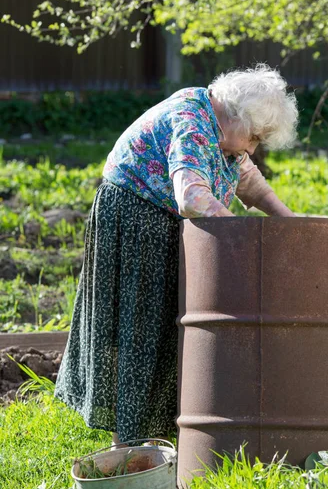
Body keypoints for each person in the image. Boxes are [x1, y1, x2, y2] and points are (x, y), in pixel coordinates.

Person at [55, 63, 299, 447]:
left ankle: (159, 436)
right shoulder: (192, 120)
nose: (251, 149)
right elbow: (192, 197)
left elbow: (249, 182)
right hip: (136, 221)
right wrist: (242, 236)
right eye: (253, 138)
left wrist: (293, 223)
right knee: (141, 328)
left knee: (171, 328)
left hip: (162, 223)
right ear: (237, 117)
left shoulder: (224, 129)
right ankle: (129, 443)